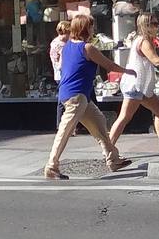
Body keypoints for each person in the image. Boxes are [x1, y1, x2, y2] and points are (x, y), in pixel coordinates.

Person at [43, 14, 135, 181]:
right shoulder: (87, 48)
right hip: (77, 96)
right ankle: (51, 166)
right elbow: (108, 65)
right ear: (85, 29)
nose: (93, 29)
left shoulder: (67, 46)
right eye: (91, 26)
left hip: (74, 94)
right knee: (65, 131)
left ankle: (113, 159)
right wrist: (127, 71)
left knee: (99, 121)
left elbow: (63, 67)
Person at [108, 13, 159, 144]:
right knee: (124, 117)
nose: (158, 27)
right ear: (146, 25)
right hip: (135, 85)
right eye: (155, 24)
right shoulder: (144, 41)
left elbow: (153, 61)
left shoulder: (144, 40)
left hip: (142, 86)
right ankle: (108, 147)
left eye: (158, 24)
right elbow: (156, 61)